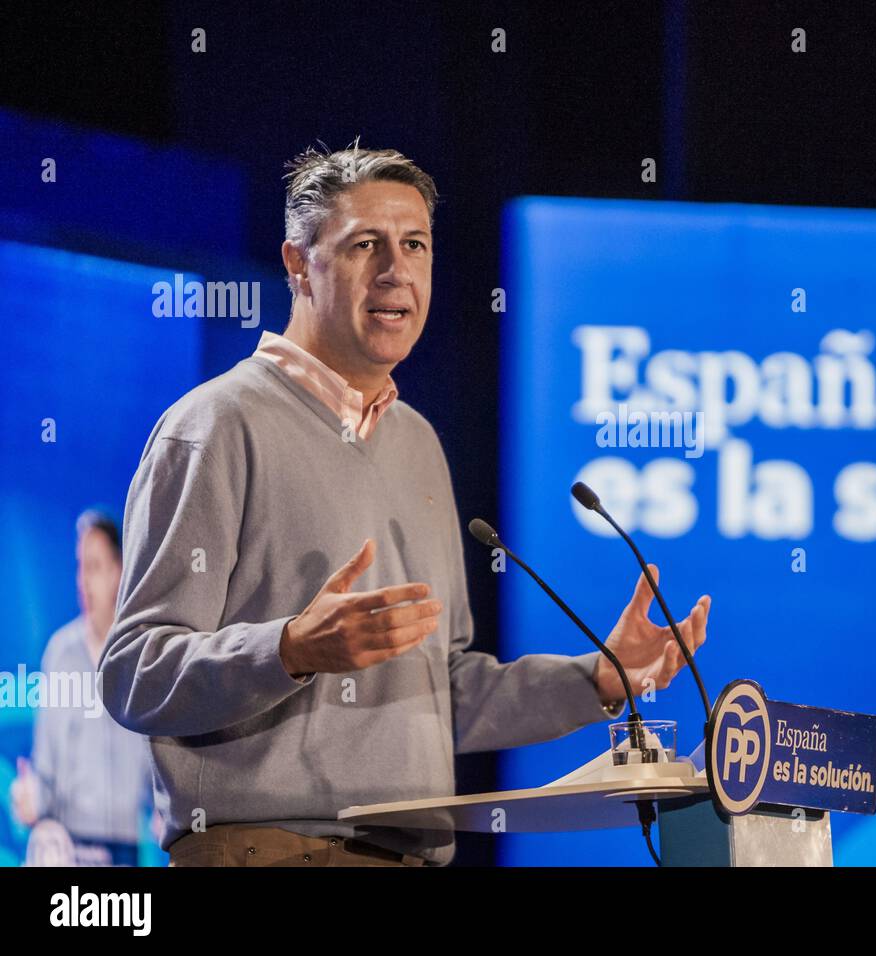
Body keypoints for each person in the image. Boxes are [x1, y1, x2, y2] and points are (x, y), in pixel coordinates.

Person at [99, 143, 711, 867]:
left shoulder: (418, 442)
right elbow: (133, 673)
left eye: (414, 244)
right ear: (297, 264)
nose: (396, 271)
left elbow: (442, 691)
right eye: (365, 245)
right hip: (269, 849)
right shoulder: (215, 426)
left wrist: (598, 678)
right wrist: (290, 648)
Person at [10, 511, 154, 866]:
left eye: (94, 566)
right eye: (80, 567)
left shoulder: (142, 651)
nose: (83, 581)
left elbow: (159, 762)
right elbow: (45, 767)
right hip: (69, 848)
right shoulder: (60, 653)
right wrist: (28, 799)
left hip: (132, 849)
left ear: (120, 571)